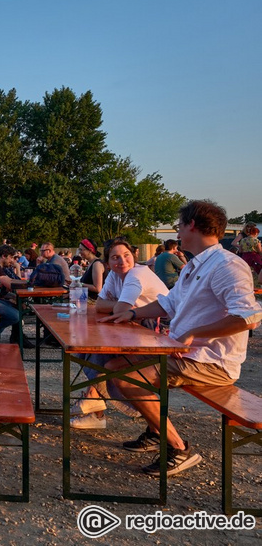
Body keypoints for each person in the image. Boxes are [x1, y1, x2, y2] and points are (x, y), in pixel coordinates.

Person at [100, 200, 262, 476]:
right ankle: (155, 431)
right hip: (183, 352)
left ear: (192, 225)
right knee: (116, 363)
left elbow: (249, 318)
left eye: (179, 226)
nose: (177, 232)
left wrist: (193, 333)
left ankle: (178, 448)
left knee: (125, 374)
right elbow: (168, 304)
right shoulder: (194, 265)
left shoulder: (226, 265)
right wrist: (133, 314)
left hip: (211, 361)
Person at [70, 239, 168, 430]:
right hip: (135, 325)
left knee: (101, 354)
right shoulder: (114, 276)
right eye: (115, 258)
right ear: (108, 263)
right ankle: (95, 405)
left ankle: (96, 402)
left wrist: (121, 308)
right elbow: (100, 305)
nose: (122, 261)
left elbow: (121, 309)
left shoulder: (137, 273)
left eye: (126, 256)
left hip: (160, 331)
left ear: (134, 257)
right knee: (86, 349)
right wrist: (121, 309)